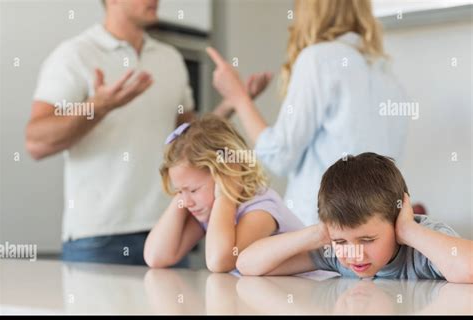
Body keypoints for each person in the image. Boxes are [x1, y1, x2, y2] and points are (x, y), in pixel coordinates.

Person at [25, 0, 269, 265]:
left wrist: (234, 102)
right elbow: (36, 141)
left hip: (168, 229)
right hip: (99, 237)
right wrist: (98, 107)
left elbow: (187, 140)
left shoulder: (170, 59)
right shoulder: (75, 55)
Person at [206, 0, 409, 225]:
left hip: (321, 229)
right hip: (374, 231)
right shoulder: (385, 72)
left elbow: (280, 155)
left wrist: (239, 98)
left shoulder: (318, 58)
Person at [236, 153, 473, 284]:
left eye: (367, 239)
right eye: (341, 241)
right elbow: (247, 265)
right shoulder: (335, 251)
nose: (354, 254)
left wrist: (409, 231)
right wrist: (318, 233)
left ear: (397, 219)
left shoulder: (422, 246)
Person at [144, 115, 304, 272]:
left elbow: (219, 261)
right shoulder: (209, 210)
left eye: (193, 190)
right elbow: (155, 257)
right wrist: (184, 191)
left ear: (228, 173)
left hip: (311, 293)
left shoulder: (261, 209)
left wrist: (225, 195)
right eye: (179, 192)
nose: (186, 202)